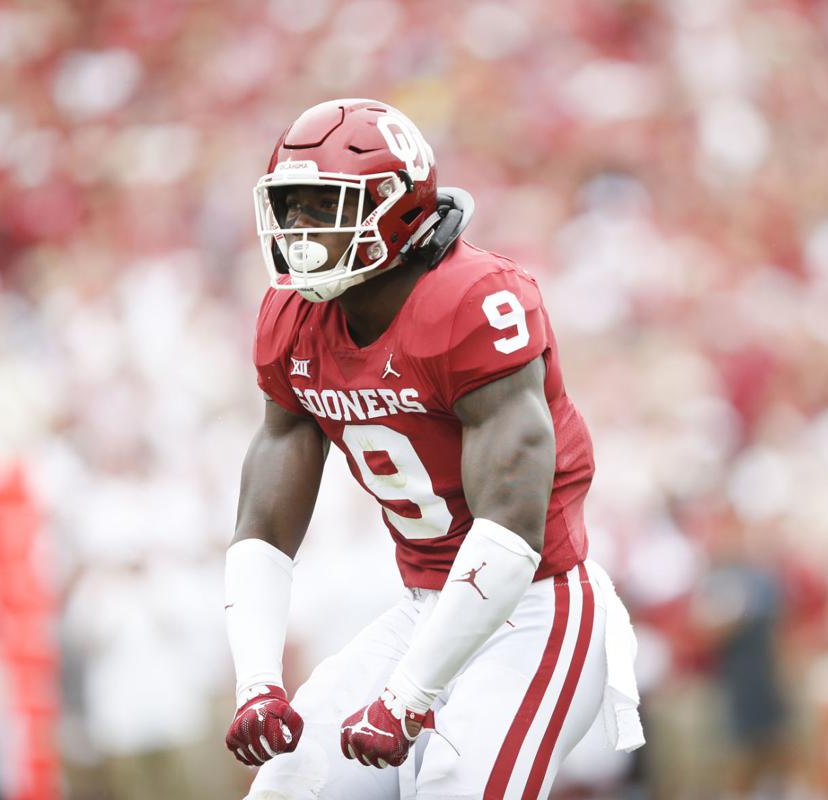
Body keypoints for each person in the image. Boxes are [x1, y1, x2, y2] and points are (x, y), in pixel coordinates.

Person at [222, 98, 644, 800]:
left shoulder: (472, 301)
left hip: (534, 609)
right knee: (289, 786)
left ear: (394, 206)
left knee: (456, 786)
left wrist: (408, 696)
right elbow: (263, 524)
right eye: (290, 208)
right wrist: (258, 681)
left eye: (324, 207)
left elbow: (512, 529)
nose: (299, 231)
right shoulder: (293, 317)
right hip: (423, 607)